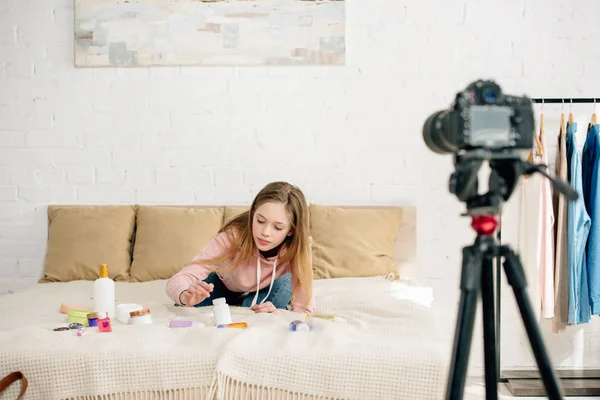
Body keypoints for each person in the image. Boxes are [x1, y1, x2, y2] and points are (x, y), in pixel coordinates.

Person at [165, 181, 315, 314]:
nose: (265, 233)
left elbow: (304, 310)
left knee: (257, 313)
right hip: (225, 284)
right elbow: (181, 278)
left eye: (277, 227)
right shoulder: (232, 236)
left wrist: (279, 313)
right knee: (183, 304)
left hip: (271, 284)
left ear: (291, 230)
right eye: (260, 220)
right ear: (253, 214)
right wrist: (185, 294)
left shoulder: (299, 247)